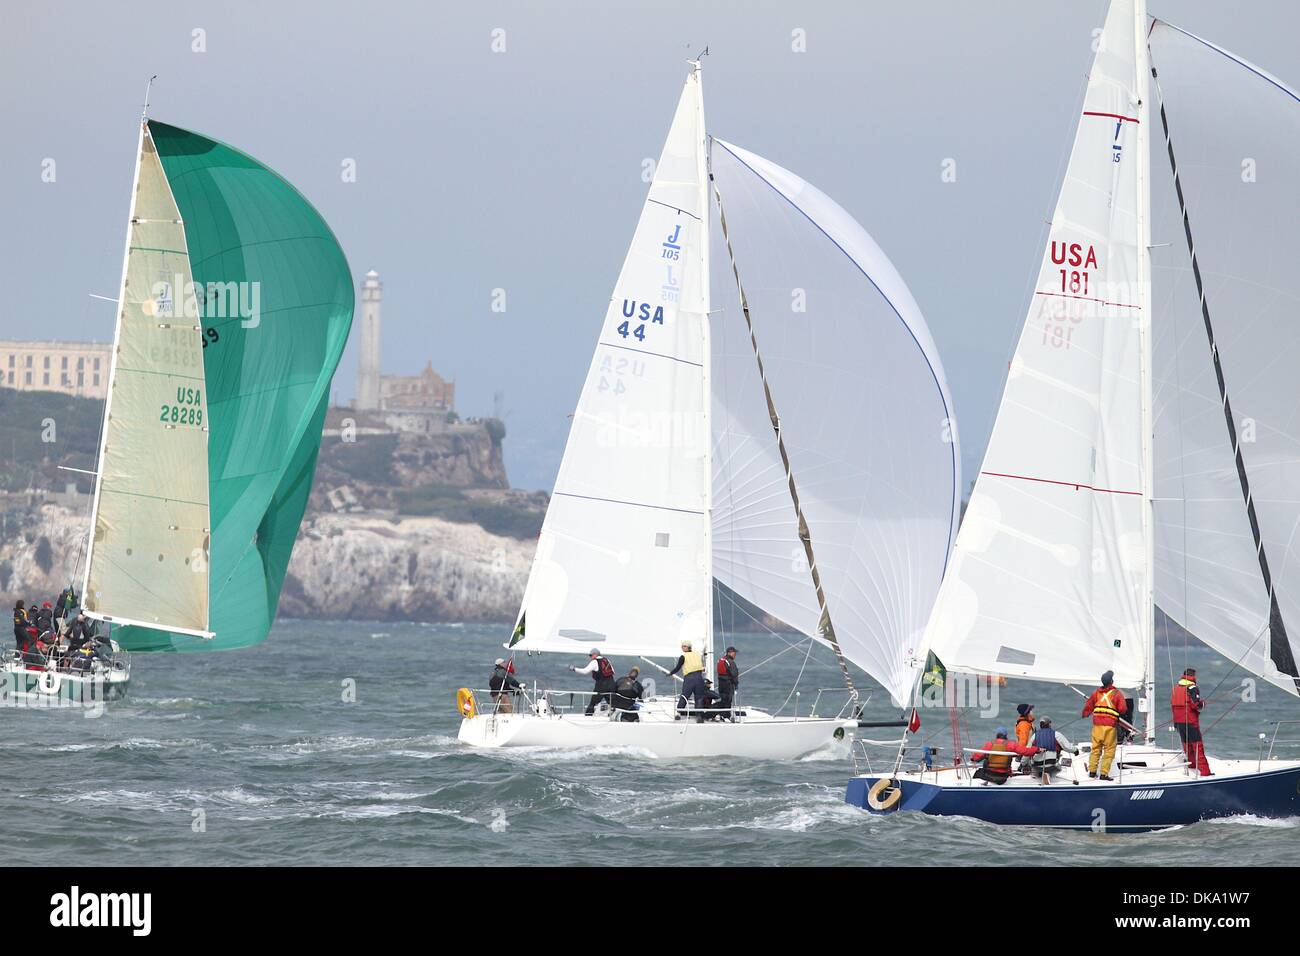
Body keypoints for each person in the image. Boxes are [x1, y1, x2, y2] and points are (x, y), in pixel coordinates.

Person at [1082, 670, 1129, 780]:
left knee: (1095, 749)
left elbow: (1088, 706)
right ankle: (1104, 774)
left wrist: (1085, 714)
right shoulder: (1116, 693)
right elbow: (1123, 709)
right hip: (1109, 726)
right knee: (1109, 750)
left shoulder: (1096, 693)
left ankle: (1092, 772)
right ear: (1111, 681)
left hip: (1097, 726)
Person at [1171, 666, 1212, 777]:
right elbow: (1196, 705)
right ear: (1193, 676)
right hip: (1190, 722)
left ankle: (1192, 766)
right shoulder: (1192, 688)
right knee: (1197, 746)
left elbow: (1173, 706)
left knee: (1187, 745)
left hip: (1179, 723)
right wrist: (1202, 704)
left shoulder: (1176, 688)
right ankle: (1205, 772)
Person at [970, 727, 1038, 784]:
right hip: (1003, 777)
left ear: (997, 735)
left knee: (978, 772)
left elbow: (977, 757)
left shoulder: (990, 744)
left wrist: (973, 758)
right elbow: (1026, 751)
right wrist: (1037, 749)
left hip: (990, 774)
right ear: (1006, 736)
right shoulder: (1011, 744)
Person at [1026, 717, 1079, 783]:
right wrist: (1075, 751)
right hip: (1051, 765)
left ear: (1040, 725)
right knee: (1058, 768)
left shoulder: (1034, 736)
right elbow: (1067, 747)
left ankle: (1039, 774)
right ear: (1049, 724)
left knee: (1035, 766)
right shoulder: (1057, 734)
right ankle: (1049, 775)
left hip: (1037, 765)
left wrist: (1023, 764)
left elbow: (1027, 751)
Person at [667, 640, 707, 719]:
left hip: (689, 678)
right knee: (699, 697)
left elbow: (678, 667)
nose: (682, 648)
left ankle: (678, 712)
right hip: (699, 677)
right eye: (682, 646)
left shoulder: (683, 656)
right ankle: (699, 715)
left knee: (685, 695)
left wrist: (670, 673)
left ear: (688, 647)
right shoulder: (697, 655)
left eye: (684, 646)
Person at [570, 648, 617, 716]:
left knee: (593, 703)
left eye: (590, 655)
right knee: (613, 703)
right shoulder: (607, 660)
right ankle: (615, 716)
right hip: (611, 684)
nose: (590, 657)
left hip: (601, 686)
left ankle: (587, 716)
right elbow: (613, 671)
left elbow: (585, 671)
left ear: (595, 654)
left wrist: (574, 669)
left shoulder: (595, 662)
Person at [716, 646, 740, 720]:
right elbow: (734, 674)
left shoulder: (721, 660)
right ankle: (726, 716)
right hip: (728, 684)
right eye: (734, 653)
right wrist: (736, 684)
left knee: (723, 700)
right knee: (728, 701)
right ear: (730, 653)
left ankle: (720, 714)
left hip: (721, 683)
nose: (735, 654)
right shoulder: (730, 662)